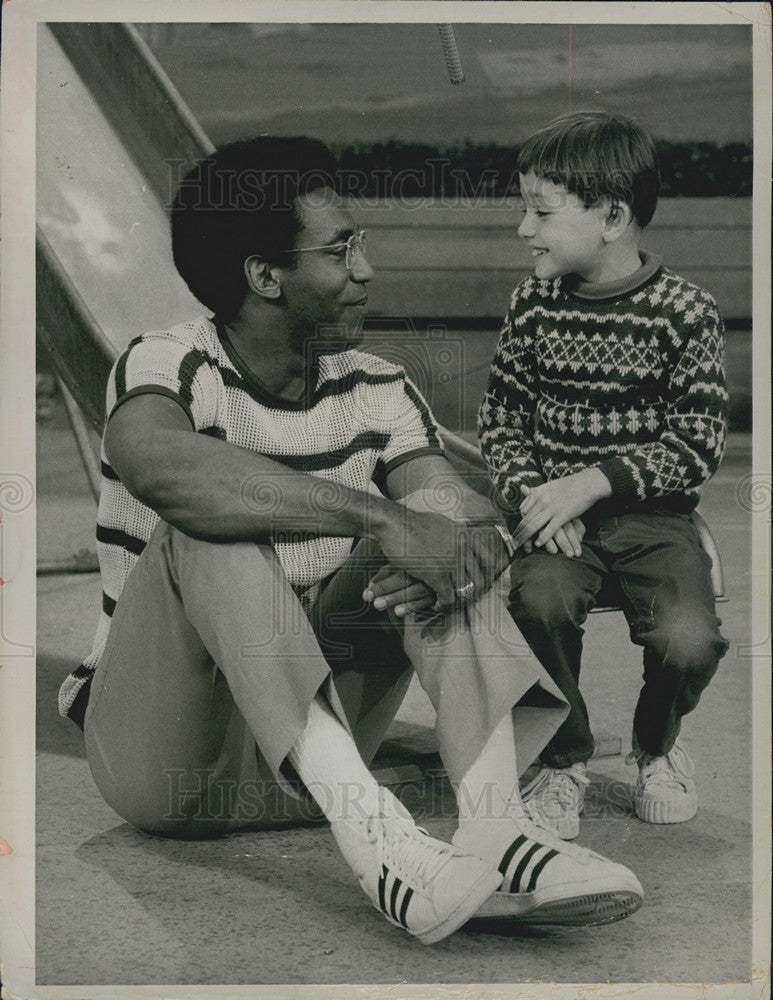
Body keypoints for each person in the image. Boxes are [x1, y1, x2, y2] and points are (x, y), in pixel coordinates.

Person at [58, 136, 643, 944]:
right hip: (164, 765)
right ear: (265, 276)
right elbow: (162, 466)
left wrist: (464, 539)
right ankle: (378, 841)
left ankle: (494, 833)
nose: (365, 269)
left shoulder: (378, 385)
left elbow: (453, 506)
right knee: (212, 522)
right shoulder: (167, 362)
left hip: (309, 770)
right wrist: (378, 517)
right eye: (340, 250)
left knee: (444, 541)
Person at [478, 112, 729, 841]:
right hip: (555, 523)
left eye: (541, 212)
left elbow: (696, 443)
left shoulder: (684, 311)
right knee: (536, 604)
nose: (524, 229)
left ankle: (657, 745)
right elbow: (500, 421)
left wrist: (590, 482)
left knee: (689, 640)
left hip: (651, 519)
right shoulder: (532, 305)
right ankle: (562, 758)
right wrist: (532, 497)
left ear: (612, 217)